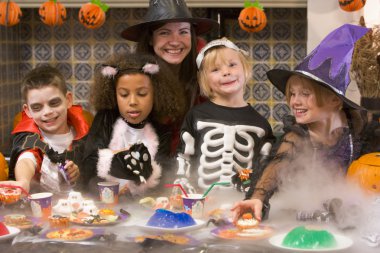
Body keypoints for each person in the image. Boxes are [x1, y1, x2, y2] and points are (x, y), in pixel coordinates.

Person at [231, 24, 380, 223]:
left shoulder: (357, 125)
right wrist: (257, 198)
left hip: (348, 212)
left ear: (335, 100)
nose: (295, 101)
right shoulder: (297, 135)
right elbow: (277, 164)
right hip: (305, 213)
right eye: (292, 94)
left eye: (305, 94)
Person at [175, 38, 275, 194]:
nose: (226, 72)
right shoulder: (196, 116)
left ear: (245, 69)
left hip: (244, 204)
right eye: (215, 69)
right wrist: (181, 184)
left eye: (232, 65)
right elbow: (183, 157)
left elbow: (266, 168)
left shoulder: (259, 123)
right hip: (199, 203)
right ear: (204, 79)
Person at [121, 0, 219, 156]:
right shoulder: (132, 80)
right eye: (164, 32)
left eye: (183, 32)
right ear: (150, 39)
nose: (175, 41)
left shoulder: (209, 77)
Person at [81, 53, 166, 197]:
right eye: (124, 95)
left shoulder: (161, 125)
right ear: (114, 95)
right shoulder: (105, 118)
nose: (132, 101)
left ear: (155, 94)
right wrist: (116, 160)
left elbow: (165, 172)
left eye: (142, 93)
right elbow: (89, 165)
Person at [1, 65, 89, 193]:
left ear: (68, 100)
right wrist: (24, 181)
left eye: (54, 103)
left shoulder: (83, 135)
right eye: (37, 107)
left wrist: (77, 174)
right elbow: (26, 160)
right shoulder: (29, 138)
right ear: (28, 111)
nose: (47, 112)